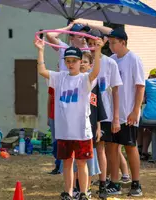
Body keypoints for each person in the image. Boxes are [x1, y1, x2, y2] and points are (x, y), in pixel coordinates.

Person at [34, 36, 103, 200]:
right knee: (67, 163)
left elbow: (96, 72)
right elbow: (42, 71)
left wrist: (98, 50)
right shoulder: (59, 77)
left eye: (74, 60)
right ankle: (68, 192)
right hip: (64, 131)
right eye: (68, 61)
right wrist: (41, 50)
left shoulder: (84, 79)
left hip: (81, 131)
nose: (70, 64)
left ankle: (84, 193)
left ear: (80, 62)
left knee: (81, 163)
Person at [85, 29, 129, 198]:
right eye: (89, 44)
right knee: (86, 148)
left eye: (95, 44)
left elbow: (116, 91)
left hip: (104, 113)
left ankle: (103, 183)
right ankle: (84, 184)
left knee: (102, 148)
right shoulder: (84, 63)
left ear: (101, 43)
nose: (91, 47)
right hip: (86, 113)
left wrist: (116, 117)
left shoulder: (110, 63)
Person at [72, 52, 107, 199]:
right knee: (73, 158)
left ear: (90, 65)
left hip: (89, 126)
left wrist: (98, 128)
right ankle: (73, 187)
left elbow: (97, 107)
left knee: (88, 159)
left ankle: (87, 188)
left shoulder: (93, 83)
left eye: (85, 62)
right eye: (81, 61)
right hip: (73, 125)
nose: (82, 64)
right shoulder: (72, 80)